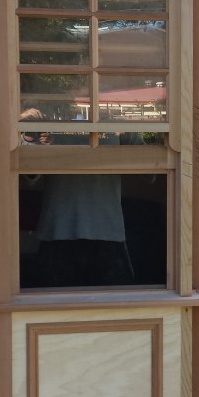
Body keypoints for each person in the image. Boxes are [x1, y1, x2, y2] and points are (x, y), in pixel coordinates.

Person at [19, 108, 134, 288]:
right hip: (58, 231)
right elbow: (28, 172)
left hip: (106, 231)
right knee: (50, 308)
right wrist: (21, 122)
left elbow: (153, 168)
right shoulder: (47, 122)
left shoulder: (116, 123)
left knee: (114, 306)